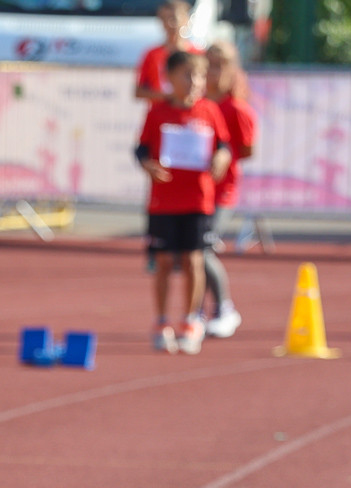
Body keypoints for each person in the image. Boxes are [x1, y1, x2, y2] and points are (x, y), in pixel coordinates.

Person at [135, 50, 230, 354]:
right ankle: (161, 321)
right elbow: (141, 150)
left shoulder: (210, 111)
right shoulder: (157, 111)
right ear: (170, 78)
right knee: (163, 262)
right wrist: (148, 165)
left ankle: (191, 320)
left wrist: (221, 158)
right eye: (187, 75)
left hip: (198, 199)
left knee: (194, 260)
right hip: (163, 201)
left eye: (200, 76)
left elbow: (225, 146)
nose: (194, 82)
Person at [201, 39, 256, 339]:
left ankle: (224, 308)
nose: (213, 71)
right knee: (191, 251)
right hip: (195, 189)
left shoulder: (236, 108)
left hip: (222, 191)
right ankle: (196, 310)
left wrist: (223, 156)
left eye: (221, 65)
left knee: (203, 245)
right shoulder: (197, 103)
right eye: (209, 64)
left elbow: (247, 150)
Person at [134, 0, 203, 104]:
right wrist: (169, 97)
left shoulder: (198, 53)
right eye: (164, 19)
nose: (169, 23)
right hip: (161, 114)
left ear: (186, 20)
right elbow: (139, 91)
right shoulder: (152, 54)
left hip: (192, 114)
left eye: (174, 18)